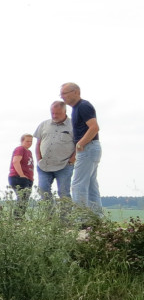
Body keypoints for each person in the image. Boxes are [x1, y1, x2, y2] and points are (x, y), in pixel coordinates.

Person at [61, 82, 102, 213]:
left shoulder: (83, 106)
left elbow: (94, 127)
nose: (62, 97)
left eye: (65, 93)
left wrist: (80, 144)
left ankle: (82, 219)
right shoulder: (78, 108)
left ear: (76, 92)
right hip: (91, 148)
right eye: (61, 94)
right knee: (91, 186)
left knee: (78, 185)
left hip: (88, 148)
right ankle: (96, 218)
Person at [34, 101, 75, 200]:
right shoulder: (44, 124)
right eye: (52, 113)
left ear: (65, 111)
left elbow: (79, 145)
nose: (54, 115)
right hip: (44, 165)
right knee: (43, 191)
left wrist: (71, 161)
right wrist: (39, 159)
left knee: (64, 193)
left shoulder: (73, 125)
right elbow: (38, 143)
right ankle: (50, 215)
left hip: (64, 165)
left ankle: (65, 215)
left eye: (57, 113)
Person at [9, 134, 34, 211]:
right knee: (22, 198)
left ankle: (20, 219)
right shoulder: (20, 149)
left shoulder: (29, 152)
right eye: (27, 141)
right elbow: (16, 161)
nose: (29, 143)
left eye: (31, 141)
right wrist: (22, 175)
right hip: (18, 177)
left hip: (28, 178)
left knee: (24, 200)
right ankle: (17, 220)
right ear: (22, 141)